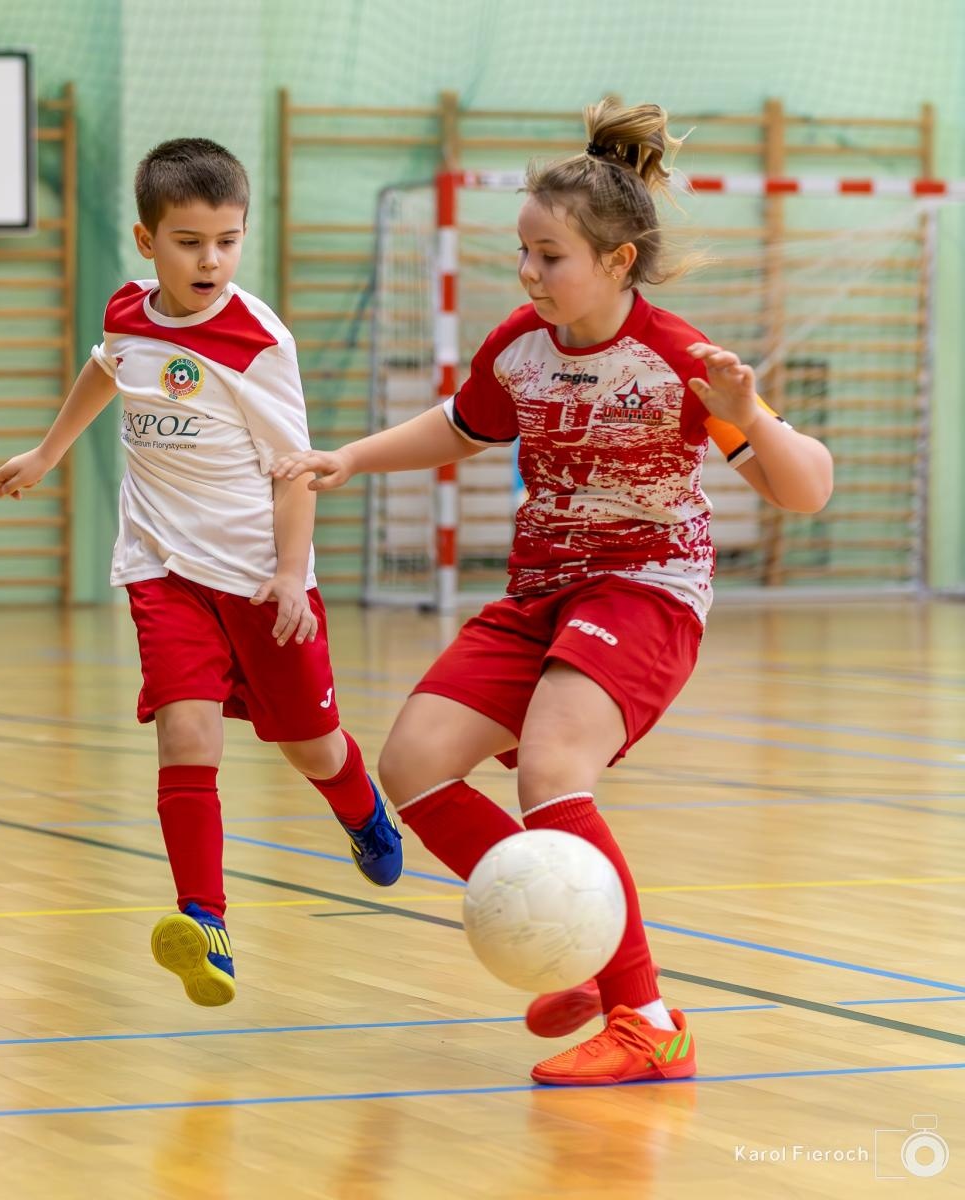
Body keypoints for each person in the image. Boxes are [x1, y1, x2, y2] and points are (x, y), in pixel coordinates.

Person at [272, 98, 834, 1085]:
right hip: (541, 591)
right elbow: (462, 425)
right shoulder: (519, 347)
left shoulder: (679, 359)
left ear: (616, 263)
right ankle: (578, 929)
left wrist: (751, 417)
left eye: (550, 256)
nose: (528, 273)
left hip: (642, 589)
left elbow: (806, 489)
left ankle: (646, 1017)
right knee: (413, 765)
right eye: (522, 254)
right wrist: (349, 460)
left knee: (550, 766)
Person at [0, 137, 402, 1008]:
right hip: (163, 567)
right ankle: (205, 924)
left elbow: (297, 469)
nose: (209, 258)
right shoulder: (128, 310)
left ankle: (360, 808)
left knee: (309, 745)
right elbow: (108, 370)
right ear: (148, 243)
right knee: (186, 736)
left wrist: (292, 576)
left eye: (226, 239)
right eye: (188, 240)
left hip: (260, 578)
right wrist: (49, 450)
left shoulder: (259, 343)